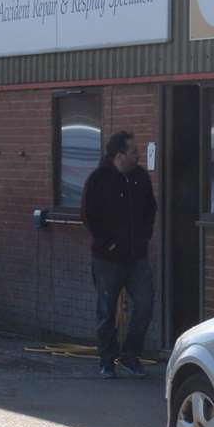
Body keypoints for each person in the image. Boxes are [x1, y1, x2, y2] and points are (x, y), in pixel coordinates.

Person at [82, 130, 157, 379]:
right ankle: (107, 360)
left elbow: (150, 209)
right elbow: (88, 214)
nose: (138, 155)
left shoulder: (140, 178)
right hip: (107, 259)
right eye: (134, 151)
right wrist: (108, 242)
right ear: (119, 155)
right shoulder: (98, 179)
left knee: (145, 304)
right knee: (107, 311)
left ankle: (130, 355)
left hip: (137, 257)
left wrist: (144, 237)